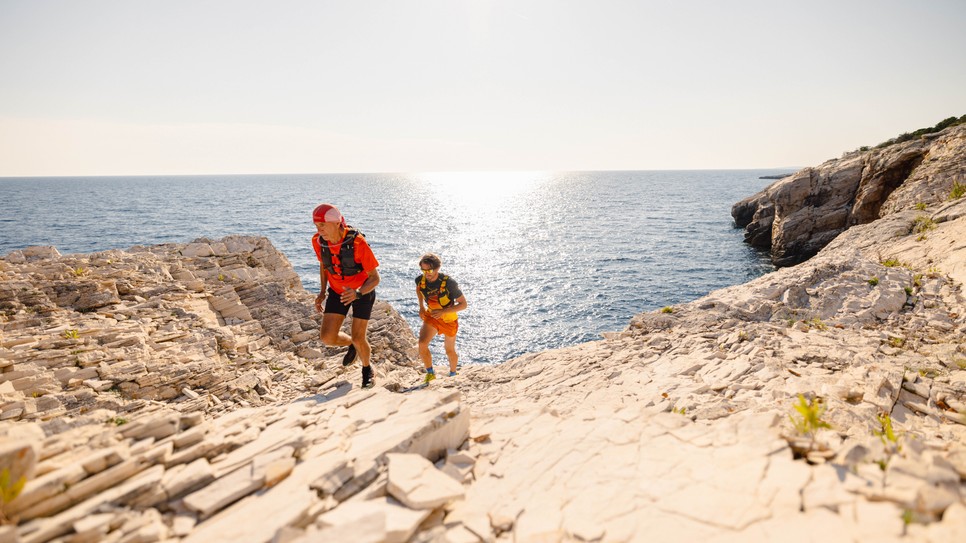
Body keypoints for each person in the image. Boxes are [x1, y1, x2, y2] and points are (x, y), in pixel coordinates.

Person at [312, 203, 381, 388]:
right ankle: (353, 345)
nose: (319, 230)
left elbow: (375, 279)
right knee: (327, 337)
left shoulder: (358, 243)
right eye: (317, 226)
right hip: (337, 291)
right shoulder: (318, 241)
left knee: (360, 337)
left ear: (336, 223)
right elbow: (324, 265)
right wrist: (321, 292)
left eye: (322, 226)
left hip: (362, 292)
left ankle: (367, 369)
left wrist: (357, 293)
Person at [415, 253, 467, 384]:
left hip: (449, 319)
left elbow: (463, 304)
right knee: (422, 344)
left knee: (449, 350)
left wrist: (443, 311)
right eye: (424, 270)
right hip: (432, 316)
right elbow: (419, 290)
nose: (427, 273)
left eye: (430, 270)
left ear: (437, 268)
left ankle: (453, 373)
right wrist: (421, 307)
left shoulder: (449, 283)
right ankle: (430, 373)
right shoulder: (420, 280)